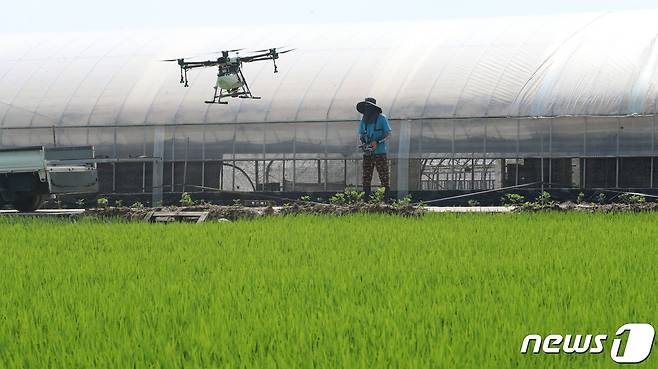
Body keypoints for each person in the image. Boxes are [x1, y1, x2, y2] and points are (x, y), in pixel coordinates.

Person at [356, 97, 392, 202]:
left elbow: (388, 134)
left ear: (374, 107)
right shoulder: (363, 120)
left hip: (380, 153)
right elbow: (361, 135)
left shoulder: (381, 118)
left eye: (369, 107)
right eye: (365, 107)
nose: (367, 110)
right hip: (367, 153)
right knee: (366, 177)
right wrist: (364, 143)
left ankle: (386, 201)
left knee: (384, 176)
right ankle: (366, 200)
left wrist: (377, 142)